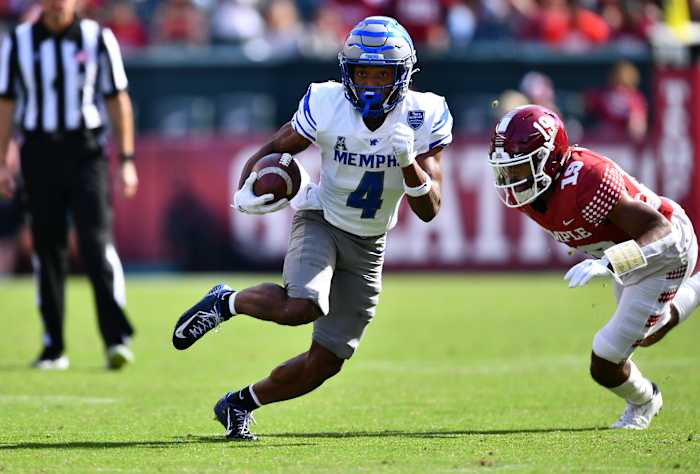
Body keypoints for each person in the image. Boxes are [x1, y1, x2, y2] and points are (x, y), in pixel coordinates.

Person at [172, 16, 452, 440]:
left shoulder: (423, 113)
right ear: (347, 72)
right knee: (302, 305)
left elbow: (430, 209)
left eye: (382, 74)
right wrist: (248, 184)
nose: (372, 84)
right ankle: (224, 302)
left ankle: (239, 404)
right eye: (363, 73)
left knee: (327, 362)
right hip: (322, 216)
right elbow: (274, 148)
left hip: (369, 242)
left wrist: (408, 163)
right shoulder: (326, 102)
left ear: (404, 75)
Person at [488, 104, 700, 429]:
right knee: (647, 334)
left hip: (665, 250)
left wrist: (612, 261)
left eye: (519, 169)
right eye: (507, 170)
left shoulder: (588, 179)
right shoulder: (534, 192)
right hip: (625, 256)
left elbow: (662, 232)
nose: (511, 180)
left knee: (607, 355)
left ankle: (644, 402)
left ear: (551, 158)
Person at [0, 0, 139, 370]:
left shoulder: (98, 38)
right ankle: (53, 345)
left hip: (85, 151)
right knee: (47, 246)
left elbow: (117, 100)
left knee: (96, 242)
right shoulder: (18, 42)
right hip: (38, 150)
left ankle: (115, 338)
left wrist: (126, 160)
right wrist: (2, 162)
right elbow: (6, 104)